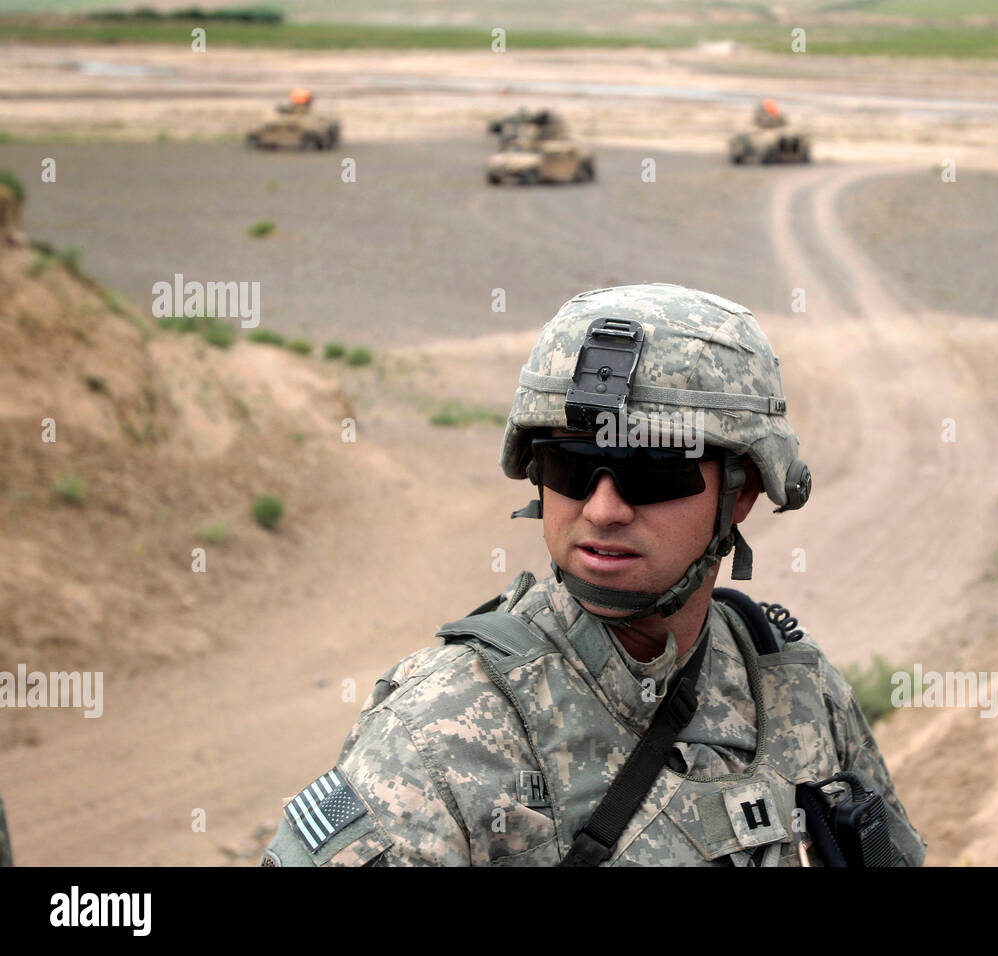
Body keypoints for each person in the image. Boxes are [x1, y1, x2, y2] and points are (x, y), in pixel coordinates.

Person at [260, 283, 925, 867]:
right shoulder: (447, 732)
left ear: (741, 491)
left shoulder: (793, 691)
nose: (603, 510)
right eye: (573, 469)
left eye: (651, 473)